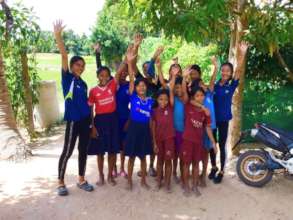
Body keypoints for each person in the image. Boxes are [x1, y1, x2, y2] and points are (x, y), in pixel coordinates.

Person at [54, 20, 94, 196]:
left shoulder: (83, 83)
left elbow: (87, 103)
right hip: (73, 121)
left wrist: (91, 124)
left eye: (83, 66)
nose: (81, 67)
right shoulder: (67, 78)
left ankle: (81, 179)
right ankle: (61, 182)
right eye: (78, 65)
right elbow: (63, 56)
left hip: (85, 121)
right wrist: (58, 36)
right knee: (68, 151)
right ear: (71, 67)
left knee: (83, 150)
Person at [209, 42, 249, 184]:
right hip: (212, 120)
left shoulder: (231, 86)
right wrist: (215, 67)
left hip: (224, 120)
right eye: (223, 70)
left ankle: (221, 171)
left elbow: (238, 71)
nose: (225, 72)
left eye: (228, 71)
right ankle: (213, 167)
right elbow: (210, 85)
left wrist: (242, 54)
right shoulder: (216, 84)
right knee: (211, 144)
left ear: (231, 74)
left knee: (221, 144)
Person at [87, 47, 126, 186]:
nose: (104, 77)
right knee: (100, 152)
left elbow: (120, 70)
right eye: (101, 75)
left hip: (113, 120)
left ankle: (110, 175)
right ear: (98, 76)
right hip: (100, 121)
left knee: (112, 150)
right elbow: (91, 110)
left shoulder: (112, 85)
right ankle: (101, 176)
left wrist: (127, 56)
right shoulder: (93, 91)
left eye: (106, 75)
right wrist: (92, 126)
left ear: (109, 77)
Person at [180, 68, 217, 197]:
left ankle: (195, 186)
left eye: (202, 95)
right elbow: (186, 94)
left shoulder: (206, 112)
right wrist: (184, 78)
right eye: (197, 95)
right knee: (186, 164)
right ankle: (186, 186)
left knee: (196, 164)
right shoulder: (188, 105)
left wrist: (213, 142)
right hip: (187, 141)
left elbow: (207, 127)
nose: (200, 97)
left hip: (198, 142)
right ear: (193, 97)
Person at [124, 47, 154, 190]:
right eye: (139, 86)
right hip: (133, 130)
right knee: (131, 157)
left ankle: (143, 181)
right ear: (135, 88)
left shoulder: (150, 101)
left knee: (143, 157)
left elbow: (151, 119)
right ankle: (129, 180)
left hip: (144, 131)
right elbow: (131, 78)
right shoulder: (133, 97)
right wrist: (130, 63)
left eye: (144, 86)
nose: (141, 88)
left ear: (146, 88)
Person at [152, 67, 179, 193]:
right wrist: (154, 142)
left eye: (166, 99)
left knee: (168, 162)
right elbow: (152, 127)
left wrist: (173, 76)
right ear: (157, 100)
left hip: (169, 139)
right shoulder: (154, 112)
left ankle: (167, 184)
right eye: (160, 99)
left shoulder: (171, 108)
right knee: (159, 161)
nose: (163, 101)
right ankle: (159, 182)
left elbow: (170, 89)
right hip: (158, 139)